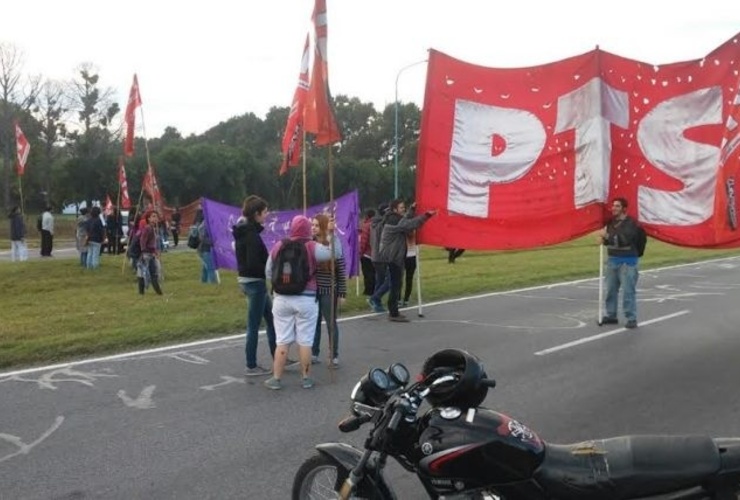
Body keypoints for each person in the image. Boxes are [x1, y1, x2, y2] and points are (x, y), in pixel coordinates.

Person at [264, 215, 333, 390]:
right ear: (308, 229)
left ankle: (276, 378)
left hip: (282, 299)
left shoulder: (279, 245)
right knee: (305, 341)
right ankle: (306, 378)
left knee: (282, 340)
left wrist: (280, 285)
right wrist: (331, 234)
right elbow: (335, 253)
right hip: (307, 299)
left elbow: (268, 271)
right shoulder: (312, 246)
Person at [232, 195, 277, 376]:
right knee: (254, 325)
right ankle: (251, 364)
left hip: (250, 281)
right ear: (257, 213)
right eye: (265, 212)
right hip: (254, 282)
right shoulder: (250, 234)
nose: (267, 215)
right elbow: (252, 262)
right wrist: (269, 267)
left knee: (272, 319)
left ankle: (278, 355)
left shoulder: (247, 230)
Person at [376, 199, 436, 322]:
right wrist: (426, 215)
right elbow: (409, 224)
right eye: (401, 207)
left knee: (396, 284)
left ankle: (394, 311)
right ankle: (393, 313)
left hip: (394, 256)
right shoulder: (394, 220)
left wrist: (412, 209)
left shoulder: (394, 218)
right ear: (394, 209)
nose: (403, 209)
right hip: (393, 256)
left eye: (404, 207)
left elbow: (405, 220)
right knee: (395, 285)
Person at [311, 213, 346, 367]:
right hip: (312, 290)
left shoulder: (333, 245)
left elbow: (341, 269)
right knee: (314, 323)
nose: (313, 228)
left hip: (328, 290)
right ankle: (313, 352)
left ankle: (334, 355)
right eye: (312, 225)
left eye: (317, 225)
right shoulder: (310, 244)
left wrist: (342, 292)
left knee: (331, 323)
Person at [600, 197, 640, 329]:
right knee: (611, 290)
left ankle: (631, 318)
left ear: (624, 208)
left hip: (628, 262)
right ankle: (611, 315)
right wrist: (604, 240)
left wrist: (607, 237)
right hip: (613, 260)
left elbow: (624, 239)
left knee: (628, 291)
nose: (614, 208)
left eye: (617, 206)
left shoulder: (631, 223)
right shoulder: (611, 223)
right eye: (613, 206)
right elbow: (611, 241)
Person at [367, 203, 390, 313]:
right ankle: (374, 298)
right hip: (381, 256)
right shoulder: (382, 224)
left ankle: (376, 303)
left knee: (380, 280)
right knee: (389, 281)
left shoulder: (373, 223)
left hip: (375, 255)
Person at [137, 211, 163, 295]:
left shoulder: (152, 228)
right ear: (149, 218)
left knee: (145, 273)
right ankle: (158, 293)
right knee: (152, 273)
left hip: (150, 253)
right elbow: (142, 240)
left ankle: (142, 293)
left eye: (156, 216)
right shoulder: (148, 228)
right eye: (153, 216)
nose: (155, 218)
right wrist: (145, 251)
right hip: (147, 254)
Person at [358, 209, 375, 295]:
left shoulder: (366, 226)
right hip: (375, 253)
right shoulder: (376, 224)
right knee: (373, 272)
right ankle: (375, 289)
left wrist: (360, 252)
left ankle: (368, 291)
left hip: (367, 254)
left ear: (367, 216)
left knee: (367, 273)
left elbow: (364, 241)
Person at [197, 219, 218, 284]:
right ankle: (213, 283)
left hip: (207, 249)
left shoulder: (210, 224)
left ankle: (203, 282)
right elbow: (202, 238)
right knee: (211, 268)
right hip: (205, 250)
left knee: (205, 268)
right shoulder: (204, 225)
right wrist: (213, 242)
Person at [401, 230, 417, 307]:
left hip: (406, 257)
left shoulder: (403, 230)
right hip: (411, 256)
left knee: (401, 279)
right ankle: (406, 299)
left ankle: (401, 299)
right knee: (408, 279)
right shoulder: (415, 230)